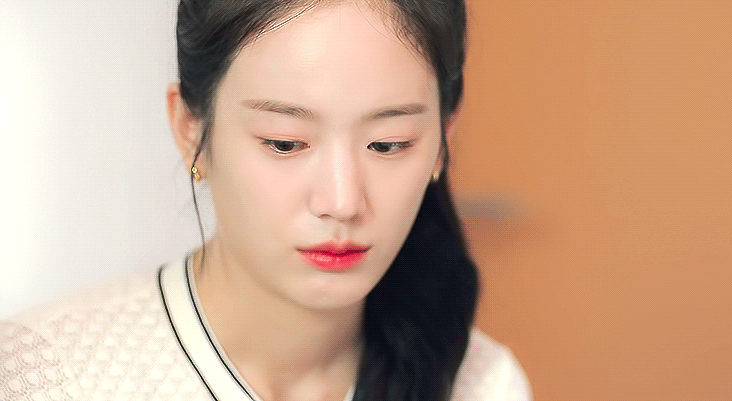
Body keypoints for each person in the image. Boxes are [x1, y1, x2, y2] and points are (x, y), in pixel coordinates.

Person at [0, 0, 532, 400]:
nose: (342, 201)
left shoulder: (485, 384)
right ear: (189, 128)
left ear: (443, 140)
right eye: (284, 143)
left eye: (388, 145)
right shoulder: (43, 376)